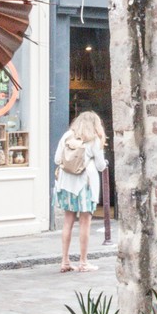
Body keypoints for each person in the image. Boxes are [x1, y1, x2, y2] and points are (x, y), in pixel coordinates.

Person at [55, 111, 107, 272]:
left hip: (66, 184)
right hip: (85, 185)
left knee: (68, 221)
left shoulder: (67, 136)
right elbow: (101, 166)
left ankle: (65, 261)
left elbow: (57, 159)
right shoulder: (94, 139)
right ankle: (83, 262)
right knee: (85, 223)